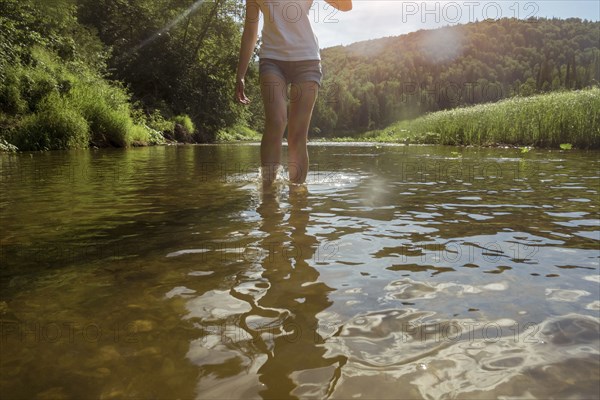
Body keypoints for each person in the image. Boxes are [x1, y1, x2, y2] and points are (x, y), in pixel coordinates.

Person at [235, 0, 352, 186]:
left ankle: (297, 197)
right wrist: (240, 73)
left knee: (297, 135)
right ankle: (268, 194)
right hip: (272, 60)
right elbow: (250, 32)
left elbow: (346, 6)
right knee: (276, 122)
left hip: (307, 61)